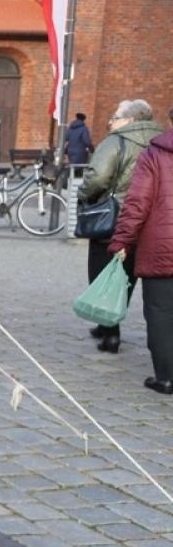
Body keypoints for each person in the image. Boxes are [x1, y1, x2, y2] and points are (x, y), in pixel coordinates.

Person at [78, 100, 159, 353]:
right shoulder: (161, 140)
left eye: (116, 116)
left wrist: (84, 193)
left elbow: (98, 177)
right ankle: (107, 324)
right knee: (129, 275)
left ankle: (110, 332)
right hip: (149, 223)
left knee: (102, 271)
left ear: (131, 120)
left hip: (114, 220)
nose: (111, 121)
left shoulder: (116, 141)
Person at [108, 122, 173, 394]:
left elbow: (137, 202)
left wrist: (122, 240)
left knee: (160, 313)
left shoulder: (155, 155)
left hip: (161, 249)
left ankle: (166, 377)